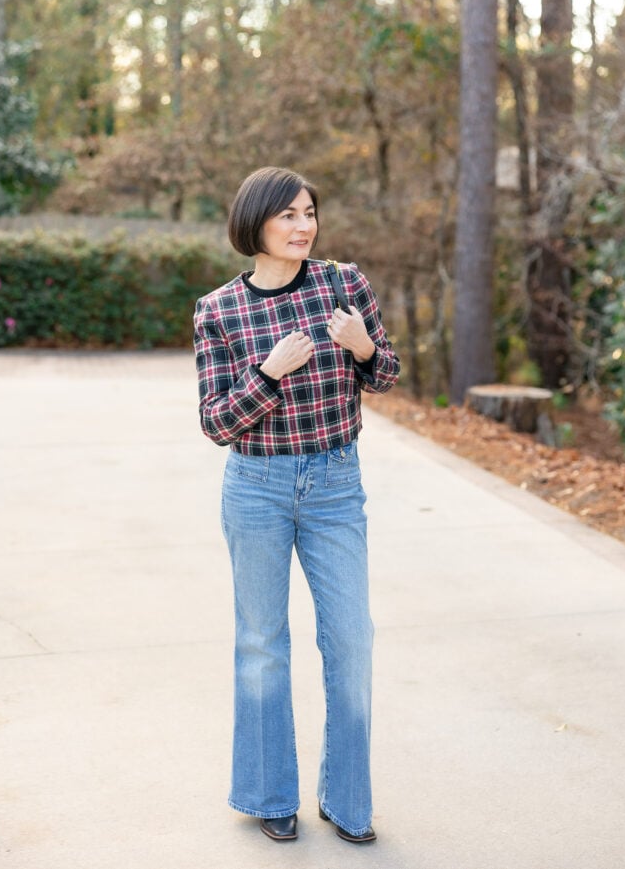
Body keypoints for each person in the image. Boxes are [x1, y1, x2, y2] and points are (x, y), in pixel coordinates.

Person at [193, 166, 400, 844]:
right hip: (255, 487)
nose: (303, 226)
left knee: (351, 638)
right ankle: (268, 793)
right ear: (254, 223)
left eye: (308, 212)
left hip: (335, 483)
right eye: (287, 215)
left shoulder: (345, 285)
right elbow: (217, 421)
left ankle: (348, 801)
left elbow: (388, 373)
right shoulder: (219, 310)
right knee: (261, 642)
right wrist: (267, 373)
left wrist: (362, 347)